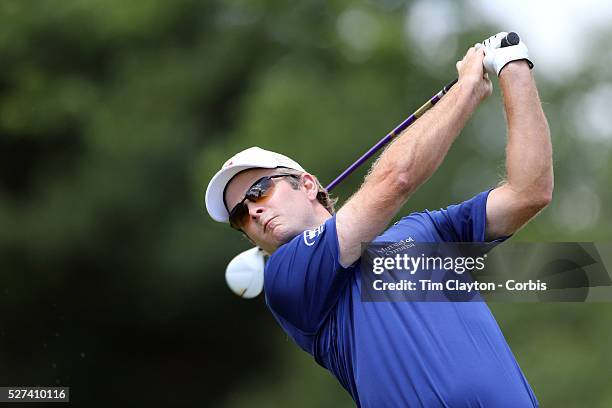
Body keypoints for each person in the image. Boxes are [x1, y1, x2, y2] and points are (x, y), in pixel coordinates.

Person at [205, 33, 552, 407]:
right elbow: (394, 181)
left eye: (258, 190)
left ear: (306, 185)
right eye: (239, 215)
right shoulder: (287, 279)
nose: (253, 211)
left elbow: (528, 193)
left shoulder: (425, 231)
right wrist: (466, 88)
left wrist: (512, 65)